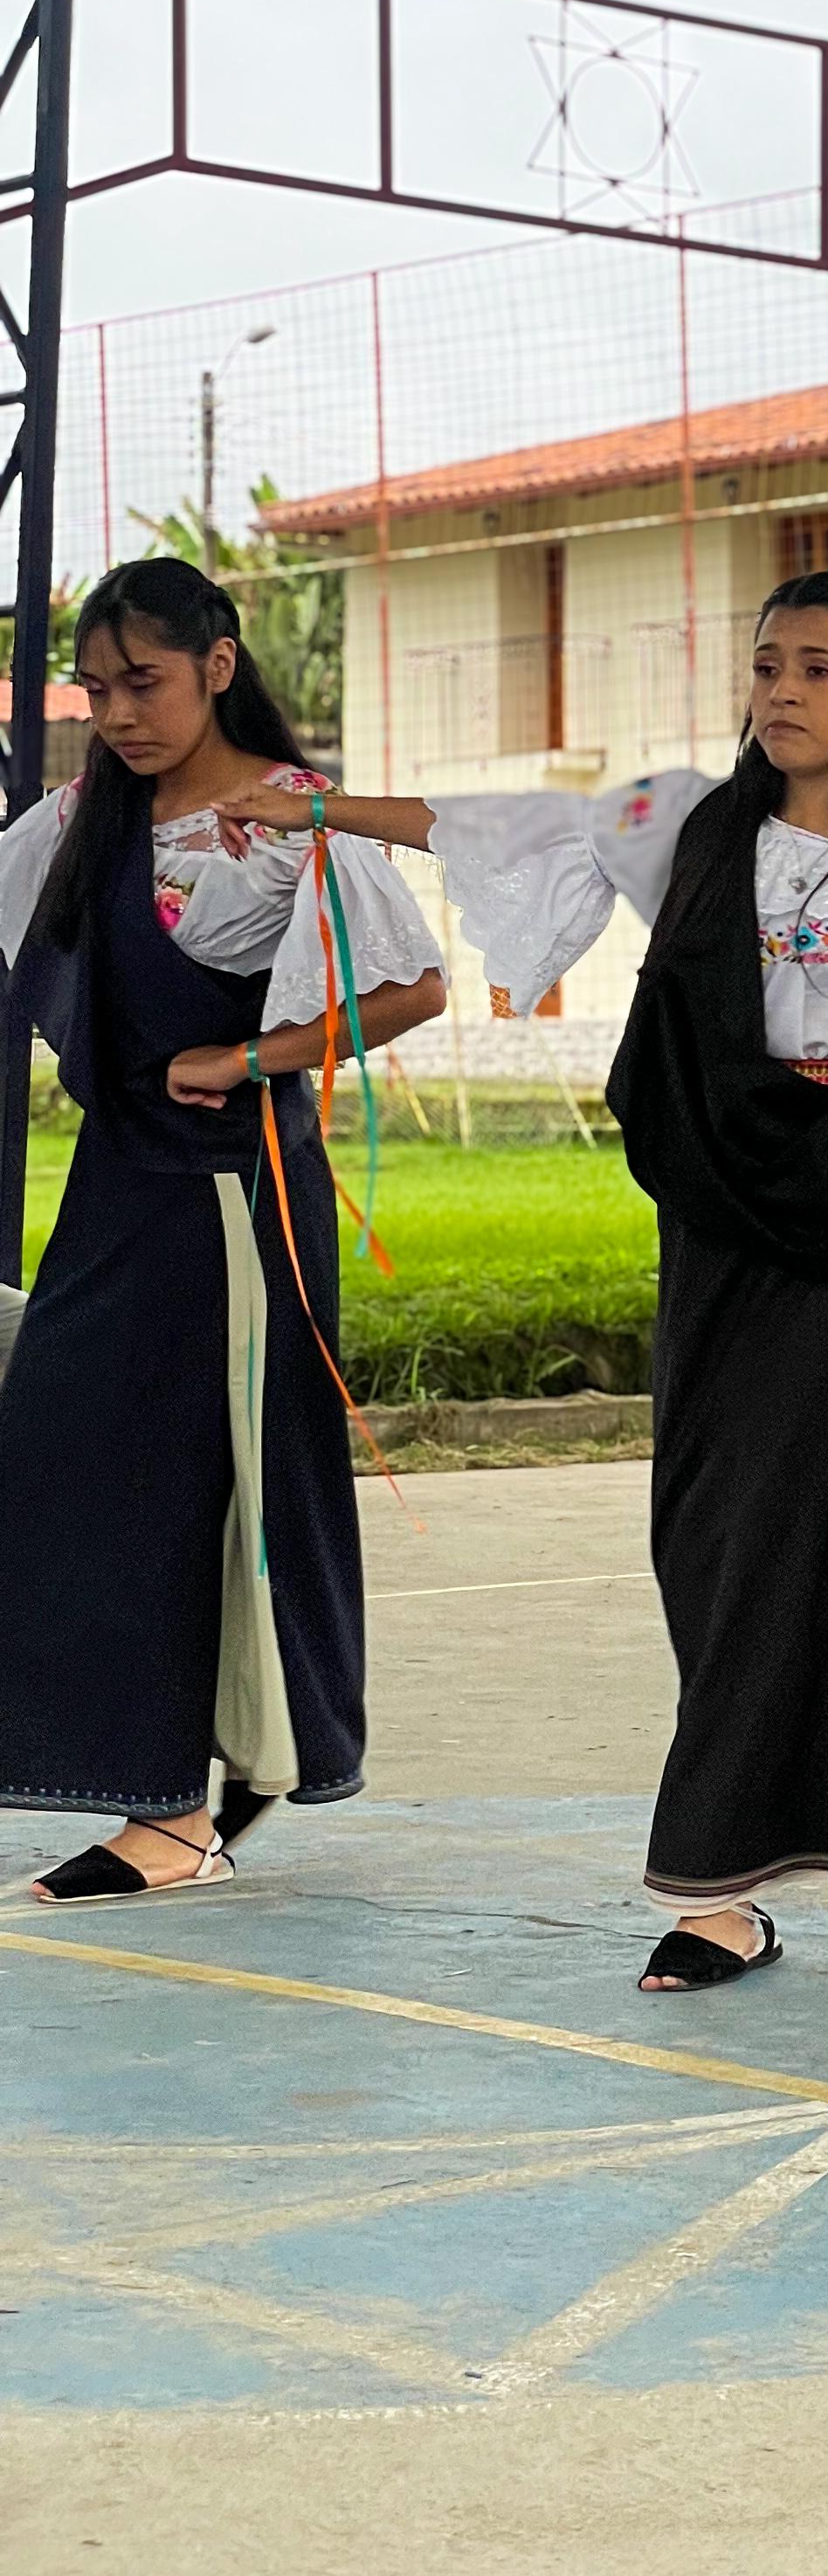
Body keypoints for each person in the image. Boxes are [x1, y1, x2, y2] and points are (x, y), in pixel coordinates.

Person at [220, 570, 828, 1993]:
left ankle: (722, 1887)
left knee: (816, 1535)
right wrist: (317, 811)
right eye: (767, 663)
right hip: (716, 1213)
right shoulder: (690, 825)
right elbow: (498, 826)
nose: (781, 690)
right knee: (708, 1533)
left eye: (817, 667)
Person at [0, 559, 445, 1900]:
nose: (116, 713)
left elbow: (413, 989)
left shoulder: (294, 818)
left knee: (218, 1478)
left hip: (235, 1197)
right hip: (118, 1186)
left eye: (143, 682)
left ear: (218, 665)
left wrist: (255, 1059)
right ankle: (183, 1783)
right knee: (62, 1455)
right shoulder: (79, 818)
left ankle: (181, 1807)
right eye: (96, 688)